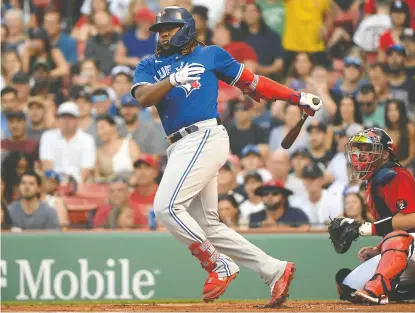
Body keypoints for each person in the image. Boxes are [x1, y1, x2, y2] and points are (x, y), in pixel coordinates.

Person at [130, 6, 323, 306]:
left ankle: (218, 264)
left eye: (169, 27)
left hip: (205, 136)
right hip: (179, 145)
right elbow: (142, 98)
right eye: (159, 29)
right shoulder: (149, 64)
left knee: (166, 207)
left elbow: (254, 83)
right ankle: (274, 270)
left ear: (187, 30)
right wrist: (172, 80)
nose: (163, 33)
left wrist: (296, 97)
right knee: (209, 227)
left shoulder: (210, 55)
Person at [334, 127, 415, 304]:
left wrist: (365, 229)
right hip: (409, 250)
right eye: (360, 149)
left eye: (368, 149)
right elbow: (396, 227)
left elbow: (412, 219)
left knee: (396, 244)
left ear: (384, 154)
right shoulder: (373, 182)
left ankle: (376, 291)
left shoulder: (395, 175)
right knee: (348, 286)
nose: (361, 154)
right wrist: (379, 248)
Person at [40, 102, 96, 183]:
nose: (66, 121)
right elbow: (47, 166)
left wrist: (73, 186)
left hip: (79, 185)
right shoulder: (47, 136)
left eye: (70, 117)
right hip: (53, 184)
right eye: (63, 117)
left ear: (77, 120)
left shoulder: (87, 139)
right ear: (58, 119)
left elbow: (86, 169)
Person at [292, 163, 344, 228]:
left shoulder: (334, 201)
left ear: (322, 180)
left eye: (313, 178)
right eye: (306, 179)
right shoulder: (296, 203)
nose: (309, 182)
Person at [240, 3, 284, 79]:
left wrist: (260, 69)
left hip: (267, 79)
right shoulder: (237, 36)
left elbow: (279, 65)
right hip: (241, 80)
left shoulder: (272, 36)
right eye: (246, 11)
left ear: (259, 14)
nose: (249, 14)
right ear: (243, 15)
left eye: (253, 11)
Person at [95, 115, 140, 182]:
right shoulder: (98, 152)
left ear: (114, 127)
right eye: (97, 129)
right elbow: (97, 178)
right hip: (109, 189)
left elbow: (139, 168)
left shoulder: (129, 144)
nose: (100, 132)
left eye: (102, 127)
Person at [84, 11, 120, 75]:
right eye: (103, 26)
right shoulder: (91, 42)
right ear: (96, 27)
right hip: (99, 75)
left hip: (119, 75)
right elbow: (89, 63)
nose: (107, 29)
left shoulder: (121, 39)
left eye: (108, 25)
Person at [384, 99, 415, 168]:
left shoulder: (410, 128)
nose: (392, 113)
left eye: (395, 110)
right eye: (390, 110)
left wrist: (397, 166)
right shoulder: (385, 131)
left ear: (401, 112)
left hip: (406, 167)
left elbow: (412, 157)